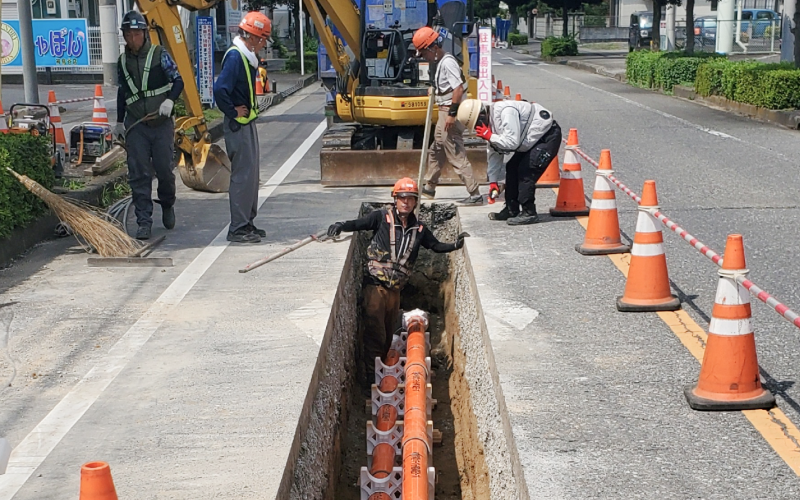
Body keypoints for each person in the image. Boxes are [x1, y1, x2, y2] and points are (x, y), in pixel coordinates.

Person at [327, 178, 465, 392]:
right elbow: (359, 224)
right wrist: (341, 226)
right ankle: (371, 380)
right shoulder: (381, 218)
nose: (406, 203)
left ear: (415, 202)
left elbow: (435, 245)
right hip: (376, 286)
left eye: (410, 199)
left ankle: (382, 372)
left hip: (395, 291)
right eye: (402, 198)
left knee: (388, 334)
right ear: (395, 199)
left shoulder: (418, 229)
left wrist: (455, 245)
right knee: (375, 332)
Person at [115, 10, 184, 240]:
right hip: (136, 125)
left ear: (144, 33)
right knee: (139, 173)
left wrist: (170, 100)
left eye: (136, 33)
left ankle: (167, 203)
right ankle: (144, 221)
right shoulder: (122, 62)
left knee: (164, 169)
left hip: (161, 122)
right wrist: (118, 122)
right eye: (128, 34)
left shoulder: (159, 54)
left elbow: (178, 80)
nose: (132, 39)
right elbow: (122, 92)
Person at [456, 98, 562, 225]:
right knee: (512, 167)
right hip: (531, 141)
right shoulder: (491, 123)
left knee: (526, 170)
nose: (478, 127)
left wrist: (490, 136)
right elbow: (495, 151)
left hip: (547, 137)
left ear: (482, 115)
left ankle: (529, 212)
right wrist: (493, 181)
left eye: (477, 123)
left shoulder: (506, 112)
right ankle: (511, 209)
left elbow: (512, 141)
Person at [214, 11, 271, 243]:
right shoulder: (236, 57)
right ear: (253, 37)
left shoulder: (245, 56)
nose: (264, 44)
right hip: (238, 126)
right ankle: (238, 227)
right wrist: (232, 111)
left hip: (246, 124)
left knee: (251, 175)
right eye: (263, 38)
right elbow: (220, 90)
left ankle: (247, 222)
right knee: (242, 176)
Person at [412, 26, 482, 205]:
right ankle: (430, 185)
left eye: (424, 52)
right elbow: (447, 86)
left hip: (451, 112)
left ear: (433, 48)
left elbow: (458, 88)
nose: (424, 57)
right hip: (445, 110)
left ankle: (474, 193)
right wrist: (434, 89)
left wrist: (451, 114)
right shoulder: (441, 62)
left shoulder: (448, 61)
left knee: (454, 152)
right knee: (436, 149)